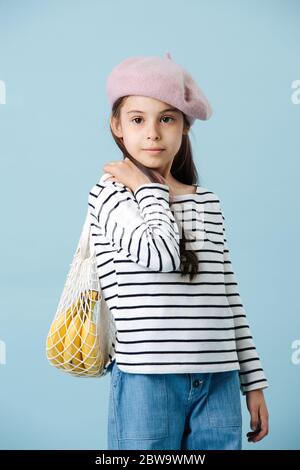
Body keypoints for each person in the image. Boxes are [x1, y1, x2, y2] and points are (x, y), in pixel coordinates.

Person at [88, 52, 269, 450]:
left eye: (167, 118)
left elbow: (228, 295)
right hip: (146, 379)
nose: (152, 133)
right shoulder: (111, 193)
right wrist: (146, 186)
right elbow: (161, 254)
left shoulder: (206, 202)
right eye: (138, 119)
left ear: (185, 125)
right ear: (117, 126)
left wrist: (252, 382)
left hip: (219, 379)